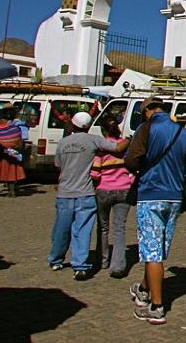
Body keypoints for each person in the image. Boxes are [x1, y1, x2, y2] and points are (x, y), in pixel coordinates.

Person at [124, 97, 186, 325]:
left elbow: (131, 161)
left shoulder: (146, 129)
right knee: (159, 247)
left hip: (151, 194)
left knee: (151, 251)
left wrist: (149, 165)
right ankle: (143, 289)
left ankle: (156, 306)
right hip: (174, 196)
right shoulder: (183, 133)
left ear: (148, 110)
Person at [48, 112, 127, 281]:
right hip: (86, 193)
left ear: (73, 125)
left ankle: (56, 259)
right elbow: (117, 148)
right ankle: (80, 266)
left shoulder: (63, 143)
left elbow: (58, 166)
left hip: (65, 193)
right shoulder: (93, 140)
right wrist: (130, 139)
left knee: (61, 228)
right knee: (82, 230)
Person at [90, 115, 134, 278]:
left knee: (103, 227)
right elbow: (133, 167)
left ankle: (102, 260)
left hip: (104, 190)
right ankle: (118, 266)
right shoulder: (126, 145)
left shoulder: (101, 147)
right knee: (119, 228)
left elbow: (95, 173)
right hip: (123, 190)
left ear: (103, 130)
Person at [0, 103, 27, 197]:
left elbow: (21, 137)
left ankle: (12, 191)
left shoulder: (17, 123)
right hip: (3, 150)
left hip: (11, 150)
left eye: (11, 111)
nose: (10, 113)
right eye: (8, 111)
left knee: (10, 171)